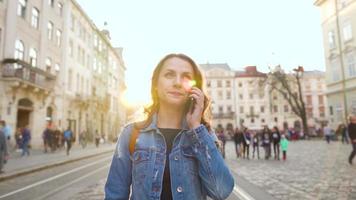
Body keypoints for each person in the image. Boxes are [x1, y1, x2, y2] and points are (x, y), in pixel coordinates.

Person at [105, 53, 234, 199]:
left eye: (186, 77)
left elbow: (221, 191)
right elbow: (115, 194)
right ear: (155, 85)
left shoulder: (203, 134)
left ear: (194, 88)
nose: (178, 82)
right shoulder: (132, 134)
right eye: (169, 74)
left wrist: (196, 128)